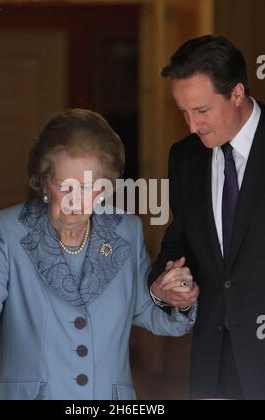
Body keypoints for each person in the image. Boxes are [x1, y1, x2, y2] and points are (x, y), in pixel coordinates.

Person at [0, 108, 198, 400]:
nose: (75, 200)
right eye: (64, 185)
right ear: (44, 182)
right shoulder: (8, 232)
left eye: (87, 187)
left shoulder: (126, 232)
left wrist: (169, 297)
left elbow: (148, 311)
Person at [149, 34, 265, 400]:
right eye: (183, 112)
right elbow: (179, 243)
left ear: (237, 93)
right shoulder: (185, 157)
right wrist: (165, 286)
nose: (191, 126)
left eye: (201, 110)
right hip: (213, 366)